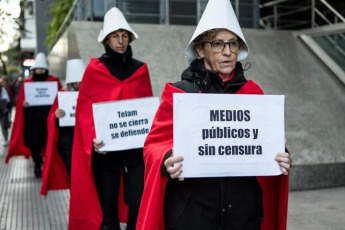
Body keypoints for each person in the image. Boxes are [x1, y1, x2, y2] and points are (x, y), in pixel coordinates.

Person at [136, 0, 292, 230]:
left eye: (233, 44)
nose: (228, 52)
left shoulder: (253, 93)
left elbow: (264, 143)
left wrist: (281, 154)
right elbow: (153, 146)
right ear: (200, 49)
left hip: (243, 214)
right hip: (192, 214)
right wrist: (167, 159)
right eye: (218, 44)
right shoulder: (179, 93)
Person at [69, 7, 153, 230]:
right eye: (115, 36)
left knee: (138, 202)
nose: (121, 41)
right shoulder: (94, 70)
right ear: (106, 39)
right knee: (108, 210)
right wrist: (93, 138)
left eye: (124, 36)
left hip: (135, 153)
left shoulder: (140, 69)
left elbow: (145, 110)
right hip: (106, 153)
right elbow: (85, 112)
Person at [5, 52, 62, 179]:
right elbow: (20, 103)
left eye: (42, 69)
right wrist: (24, 105)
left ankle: (47, 166)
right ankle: (37, 163)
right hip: (33, 121)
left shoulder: (54, 82)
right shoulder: (28, 83)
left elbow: (61, 99)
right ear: (34, 70)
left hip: (49, 121)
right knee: (35, 145)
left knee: (49, 144)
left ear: (46, 69)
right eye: (38, 69)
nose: (40, 71)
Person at [40, 59, 85, 196]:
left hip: (86, 144)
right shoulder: (62, 95)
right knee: (74, 177)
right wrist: (56, 115)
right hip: (68, 144)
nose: (78, 85)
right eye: (75, 82)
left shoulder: (92, 93)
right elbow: (50, 118)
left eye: (80, 82)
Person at [0, 79, 10, 147]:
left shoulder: (2, 89)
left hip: (1, 110)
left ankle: (6, 139)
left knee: (4, 126)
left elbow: (7, 99)